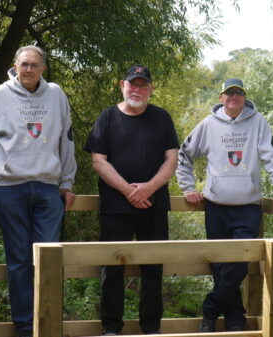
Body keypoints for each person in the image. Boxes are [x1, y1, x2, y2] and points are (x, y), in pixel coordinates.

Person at [0, 45, 76, 337]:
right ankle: (25, 326)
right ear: (15, 65)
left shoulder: (56, 95)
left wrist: (67, 183)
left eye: (34, 65)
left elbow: (67, 142)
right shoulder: (0, 95)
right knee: (19, 261)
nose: (28, 70)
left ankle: (48, 323)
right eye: (24, 64)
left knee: (49, 258)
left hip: (48, 190)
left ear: (43, 69)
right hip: (9, 189)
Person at [176, 78, 273, 332]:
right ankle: (235, 320)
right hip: (216, 206)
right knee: (221, 266)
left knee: (239, 264)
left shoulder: (258, 123)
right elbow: (184, 155)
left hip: (247, 206)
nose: (234, 97)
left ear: (244, 97)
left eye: (238, 93)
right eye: (229, 93)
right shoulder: (209, 125)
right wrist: (188, 188)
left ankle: (210, 310)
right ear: (221, 98)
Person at [84, 65, 179, 335]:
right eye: (132, 84)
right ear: (121, 85)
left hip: (154, 205)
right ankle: (111, 328)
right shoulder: (107, 117)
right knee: (112, 269)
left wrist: (148, 188)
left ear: (150, 89)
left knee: (153, 270)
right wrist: (129, 191)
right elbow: (98, 161)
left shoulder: (162, 118)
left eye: (142, 85)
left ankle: (151, 328)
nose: (136, 89)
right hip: (115, 207)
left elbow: (171, 160)